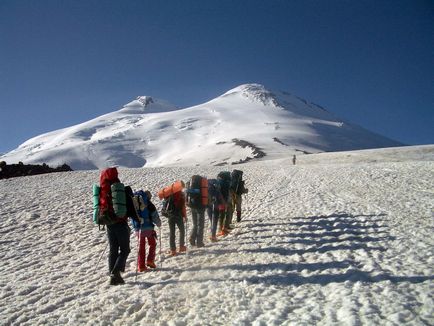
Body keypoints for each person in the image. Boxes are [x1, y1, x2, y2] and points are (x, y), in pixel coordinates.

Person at [99, 167, 130, 286]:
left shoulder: (103, 188)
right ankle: (116, 272)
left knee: (113, 250)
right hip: (120, 222)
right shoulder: (117, 186)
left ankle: (113, 276)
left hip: (108, 222)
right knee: (125, 250)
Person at [131, 190, 161, 271]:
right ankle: (150, 261)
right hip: (148, 228)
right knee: (152, 244)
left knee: (141, 247)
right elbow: (154, 215)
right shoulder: (149, 203)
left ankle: (141, 266)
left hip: (138, 229)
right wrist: (159, 224)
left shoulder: (134, 203)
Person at [162, 190, 187, 256]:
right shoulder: (181, 196)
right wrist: (185, 216)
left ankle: (173, 250)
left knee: (172, 233)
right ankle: (181, 246)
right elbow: (183, 208)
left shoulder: (169, 196)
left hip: (170, 217)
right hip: (179, 216)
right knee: (182, 231)